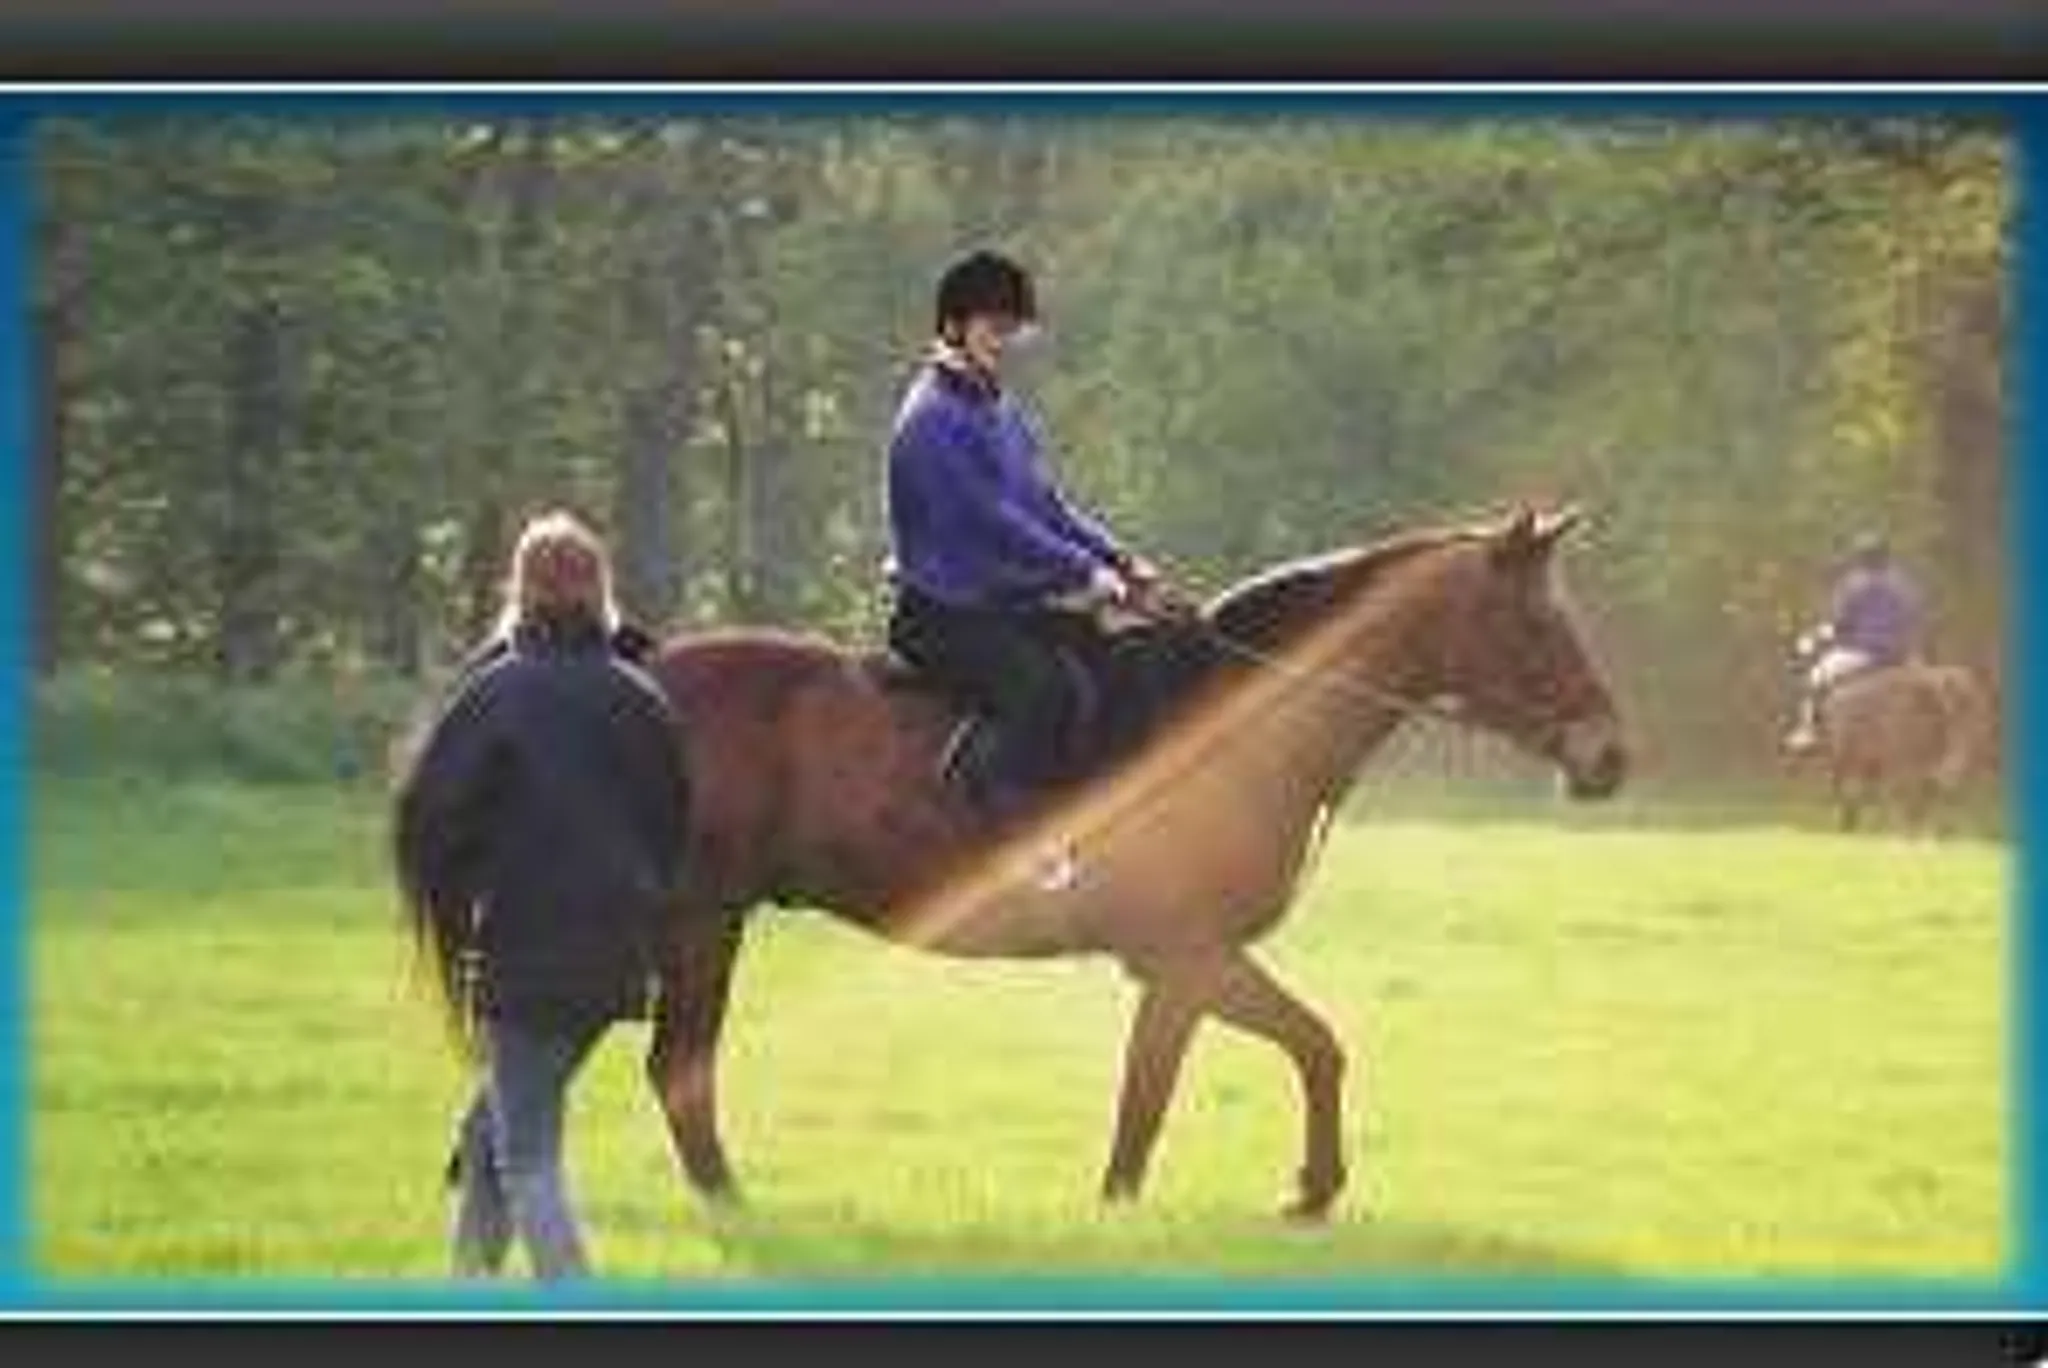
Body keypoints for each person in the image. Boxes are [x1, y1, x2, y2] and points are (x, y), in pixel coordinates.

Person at [392, 509, 693, 1282]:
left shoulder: (497, 693)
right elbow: (674, 826)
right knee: (490, 1133)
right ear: (602, 590)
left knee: (527, 1156)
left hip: (527, 951)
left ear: (519, 590)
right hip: (618, 955)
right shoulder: (641, 698)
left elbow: (433, 815)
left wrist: (469, 897)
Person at [881, 249, 1191, 888]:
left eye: (1011, 329)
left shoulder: (998, 410)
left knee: (1115, 656)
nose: (1005, 341)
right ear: (955, 327)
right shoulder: (932, 420)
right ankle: (1004, 813)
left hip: (998, 606)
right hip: (944, 614)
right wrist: (1085, 573)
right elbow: (994, 523)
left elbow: (1047, 506)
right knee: (1046, 690)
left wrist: (1120, 559)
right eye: (993, 327)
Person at [1784, 532, 1926, 754]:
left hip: (1864, 652)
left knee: (1816, 677)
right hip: (1900, 653)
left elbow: (1840, 623)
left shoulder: (1854, 585)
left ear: (1860, 558)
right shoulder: (1903, 583)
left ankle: (1808, 731)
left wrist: (1813, 638)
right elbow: (1914, 617)